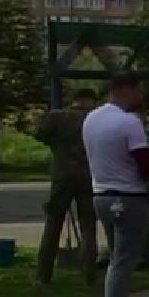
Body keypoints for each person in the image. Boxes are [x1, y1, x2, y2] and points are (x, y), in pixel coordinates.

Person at [85, 72, 149, 297]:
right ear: (127, 90)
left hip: (101, 195)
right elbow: (146, 166)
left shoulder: (91, 119)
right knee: (122, 264)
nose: (141, 97)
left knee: (117, 260)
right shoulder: (129, 123)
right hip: (129, 197)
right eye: (139, 90)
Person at [34, 90, 100, 286]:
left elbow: (39, 133)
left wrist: (56, 145)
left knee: (53, 223)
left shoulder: (58, 117)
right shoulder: (96, 119)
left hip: (62, 174)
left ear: (74, 100)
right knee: (88, 226)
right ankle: (89, 275)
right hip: (88, 175)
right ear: (91, 101)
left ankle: (42, 275)